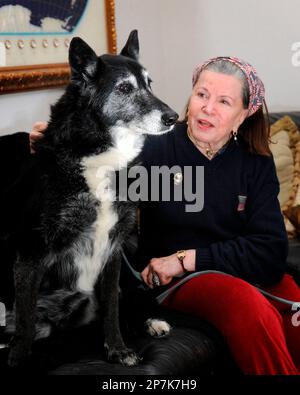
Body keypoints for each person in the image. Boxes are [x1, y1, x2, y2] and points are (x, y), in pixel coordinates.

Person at [27, 57, 300, 375]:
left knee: (294, 302)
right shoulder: (154, 148)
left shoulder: (256, 163)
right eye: (202, 94)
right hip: (179, 284)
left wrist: (185, 258)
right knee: (246, 304)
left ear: (244, 114)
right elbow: (97, 172)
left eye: (223, 101)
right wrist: (56, 145)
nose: (207, 108)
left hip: (218, 267)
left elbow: (270, 252)